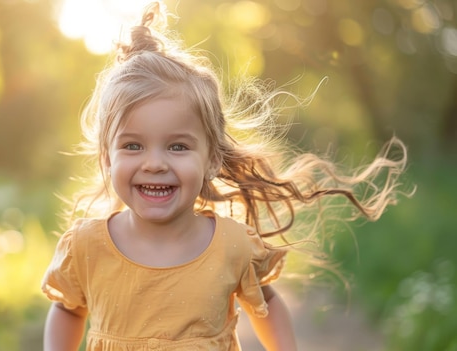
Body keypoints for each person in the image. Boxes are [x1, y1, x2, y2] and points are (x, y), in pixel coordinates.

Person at [41, 2, 410, 350]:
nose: (154, 163)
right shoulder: (87, 246)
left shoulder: (230, 245)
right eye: (133, 146)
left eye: (178, 147)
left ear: (212, 159)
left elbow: (266, 304)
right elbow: (67, 309)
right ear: (107, 157)